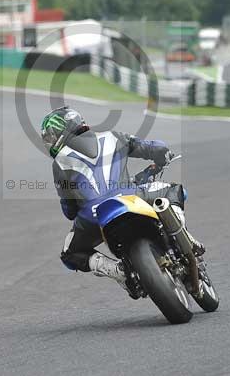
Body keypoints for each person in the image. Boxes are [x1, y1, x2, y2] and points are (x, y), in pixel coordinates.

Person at [41, 106, 200, 292]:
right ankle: (186, 239)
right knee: (174, 190)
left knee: (70, 254)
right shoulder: (111, 136)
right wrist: (163, 156)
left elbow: (69, 210)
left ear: (64, 129)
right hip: (131, 196)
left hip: (93, 216)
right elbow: (154, 148)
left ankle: (117, 271)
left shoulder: (59, 162)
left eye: (52, 136)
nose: (50, 142)